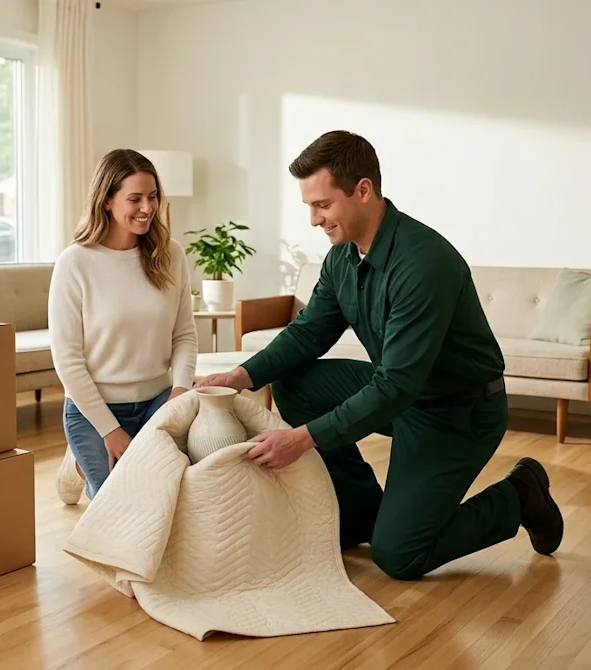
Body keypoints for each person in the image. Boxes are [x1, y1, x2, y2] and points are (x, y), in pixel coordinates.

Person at [196, 130, 563, 580]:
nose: (314, 219)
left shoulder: (424, 263)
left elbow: (397, 385)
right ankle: (362, 514)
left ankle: (519, 496)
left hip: (458, 414)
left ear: (363, 190)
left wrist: (303, 439)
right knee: (295, 382)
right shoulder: (342, 258)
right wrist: (238, 376)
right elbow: (309, 333)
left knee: (399, 557)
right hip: (402, 393)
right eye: (309, 206)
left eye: (322, 204)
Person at [50, 148, 199, 504]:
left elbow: (185, 335)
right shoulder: (75, 263)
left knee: (169, 499)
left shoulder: (171, 255)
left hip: (158, 400)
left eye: (153, 197)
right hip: (94, 408)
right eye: (135, 199)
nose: (147, 208)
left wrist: (179, 392)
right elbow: (68, 360)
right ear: (106, 201)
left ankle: (86, 462)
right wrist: (110, 431)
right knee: (119, 511)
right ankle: (79, 465)